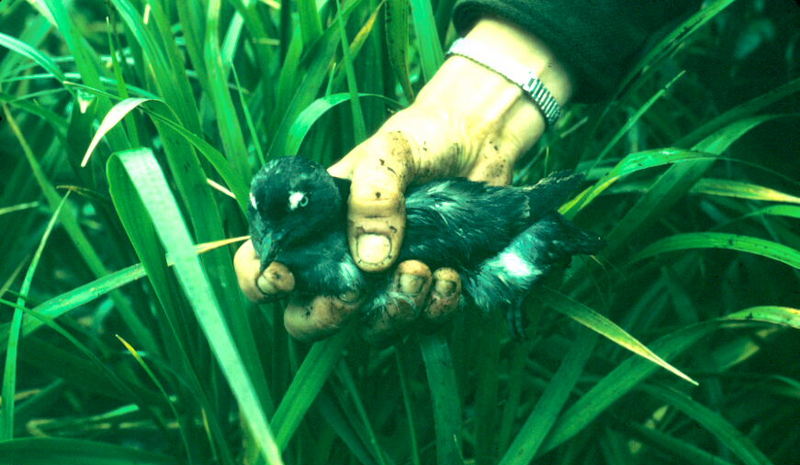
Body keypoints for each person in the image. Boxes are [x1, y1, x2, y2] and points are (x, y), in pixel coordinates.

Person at [234, 1, 698, 343]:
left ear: (316, 197)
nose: (269, 240)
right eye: (263, 221)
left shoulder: (397, 224)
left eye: (293, 214)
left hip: (520, 229)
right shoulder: (304, 240)